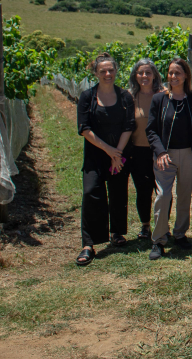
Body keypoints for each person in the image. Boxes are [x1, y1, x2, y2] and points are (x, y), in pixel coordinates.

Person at [146, 58, 192, 260]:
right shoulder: (159, 100)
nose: (173, 77)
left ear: (186, 76)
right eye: (170, 73)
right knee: (163, 195)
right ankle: (158, 240)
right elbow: (151, 130)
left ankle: (180, 234)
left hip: (191, 154)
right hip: (166, 155)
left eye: (178, 73)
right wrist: (160, 152)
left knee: (184, 196)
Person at [75, 53, 136, 266]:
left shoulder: (125, 96)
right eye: (103, 71)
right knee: (91, 193)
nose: (108, 74)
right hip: (96, 154)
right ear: (96, 73)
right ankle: (89, 244)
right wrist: (109, 151)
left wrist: (117, 153)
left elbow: (129, 126)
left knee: (118, 193)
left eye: (111, 70)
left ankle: (117, 233)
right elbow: (84, 128)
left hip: (119, 155)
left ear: (116, 71)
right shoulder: (87, 97)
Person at [126, 58, 161, 240]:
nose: (144, 76)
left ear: (154, 75)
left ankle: (162, 225)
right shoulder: (130, 97)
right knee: (143, 190)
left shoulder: (163, 95)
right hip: (138, 151)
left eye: (148, 72)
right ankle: (145, 225)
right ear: (135, 76)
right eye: (141, 73)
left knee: (163, 191)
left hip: (160, 151)